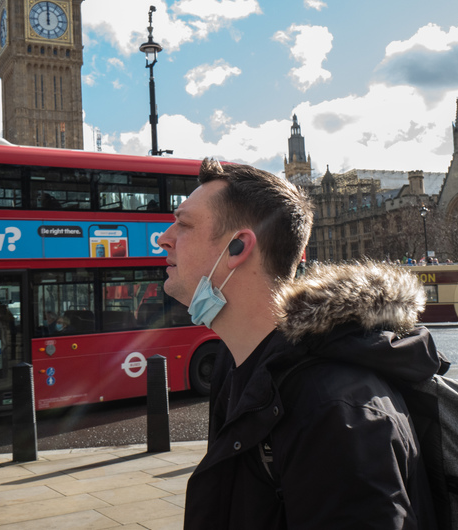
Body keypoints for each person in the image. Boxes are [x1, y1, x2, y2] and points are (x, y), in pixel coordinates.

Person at [163, 159, 443, 529]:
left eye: (183, 224)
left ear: (237, 247)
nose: (164, 237)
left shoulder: (335, 410)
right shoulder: (234, 369)